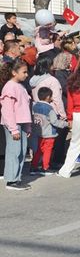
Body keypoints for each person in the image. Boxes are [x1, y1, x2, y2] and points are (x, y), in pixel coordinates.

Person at [1, 59, 32, 190]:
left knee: (22, 151)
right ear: (14, 72)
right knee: (14, 151)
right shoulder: (10, 87)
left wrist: (28, 126)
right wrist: (13, 129)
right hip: (14, 124)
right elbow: (7, 110)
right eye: (24, 72)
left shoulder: (21, 86)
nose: (26, 75)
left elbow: (25, 107)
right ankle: (11, 180)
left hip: (22, 123)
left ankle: (17, 178)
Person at [31, 87, 67, 175]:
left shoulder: (35, 106)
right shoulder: (49, 108)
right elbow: (54, 122)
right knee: (48, 150)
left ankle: (33, 167)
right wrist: (66, 124)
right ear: (48, 97)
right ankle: (45, 167)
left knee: (39, 150)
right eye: (51, 97)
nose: (51, 98)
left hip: (39, 132)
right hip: (49, 133)